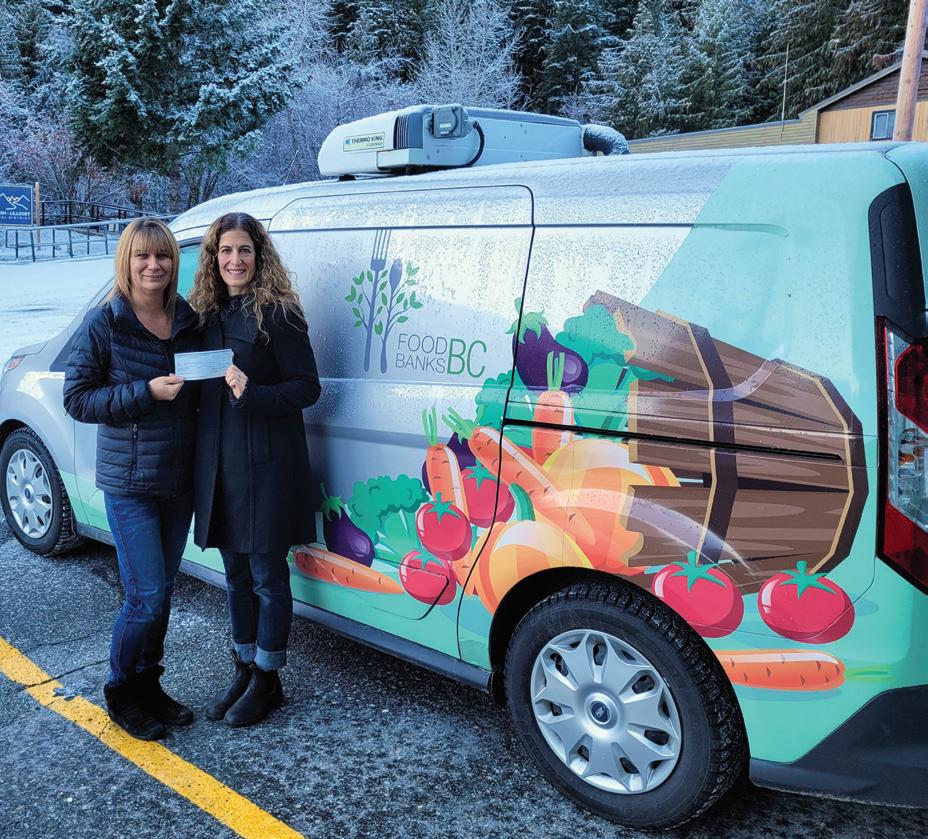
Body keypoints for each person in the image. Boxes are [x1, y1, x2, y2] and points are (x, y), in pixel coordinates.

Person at [63, 218, 199, 741]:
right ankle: (121, 691)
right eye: (142, 256)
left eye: (162, 256)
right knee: (144, 595)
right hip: (129, 483)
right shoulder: (105, 324)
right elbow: (78, 399)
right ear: (127, 261)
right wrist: (145, 392)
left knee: (162, 591)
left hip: (178, 479)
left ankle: (149, 684)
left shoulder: (186, 318)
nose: (153, 265)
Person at [189, 212, 321, 727]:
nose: (235, 260)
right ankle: (243, 666)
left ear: (259, 255)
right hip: (220, 463)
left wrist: (254, 392)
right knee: (235, 574)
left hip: (265, 464)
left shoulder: (279, 313)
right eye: (225, 250)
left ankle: (269, 678)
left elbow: (307, 387)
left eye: (244, 249)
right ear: (213, 257)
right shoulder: (206, 314)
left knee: (266, 575)